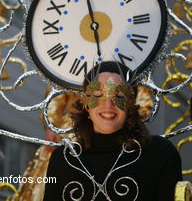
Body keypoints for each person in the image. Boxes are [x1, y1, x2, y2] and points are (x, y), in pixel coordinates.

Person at [43, 61, 183, 201]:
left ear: (131, 104)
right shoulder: (64, 159)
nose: (108, 104)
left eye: (119, 96)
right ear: (86, 104)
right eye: (98, 95)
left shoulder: (159, 154)